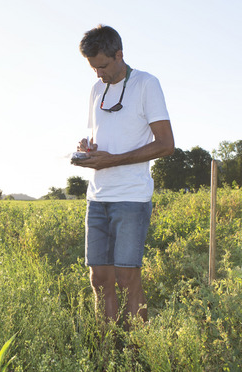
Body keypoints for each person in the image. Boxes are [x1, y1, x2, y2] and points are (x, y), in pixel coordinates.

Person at [72, 25, 175, 327]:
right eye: (93, 68)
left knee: (128, 278)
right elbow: (100, 138)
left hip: (131, 198)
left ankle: (137, 353)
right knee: (99, 279)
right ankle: (108, 349)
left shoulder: (146, 84)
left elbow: (166, 145)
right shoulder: (95, 90)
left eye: (103, 66)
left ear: (119, 55)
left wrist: (113, 161)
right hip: (97, 198)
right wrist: (88, 150)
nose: (99, 74)